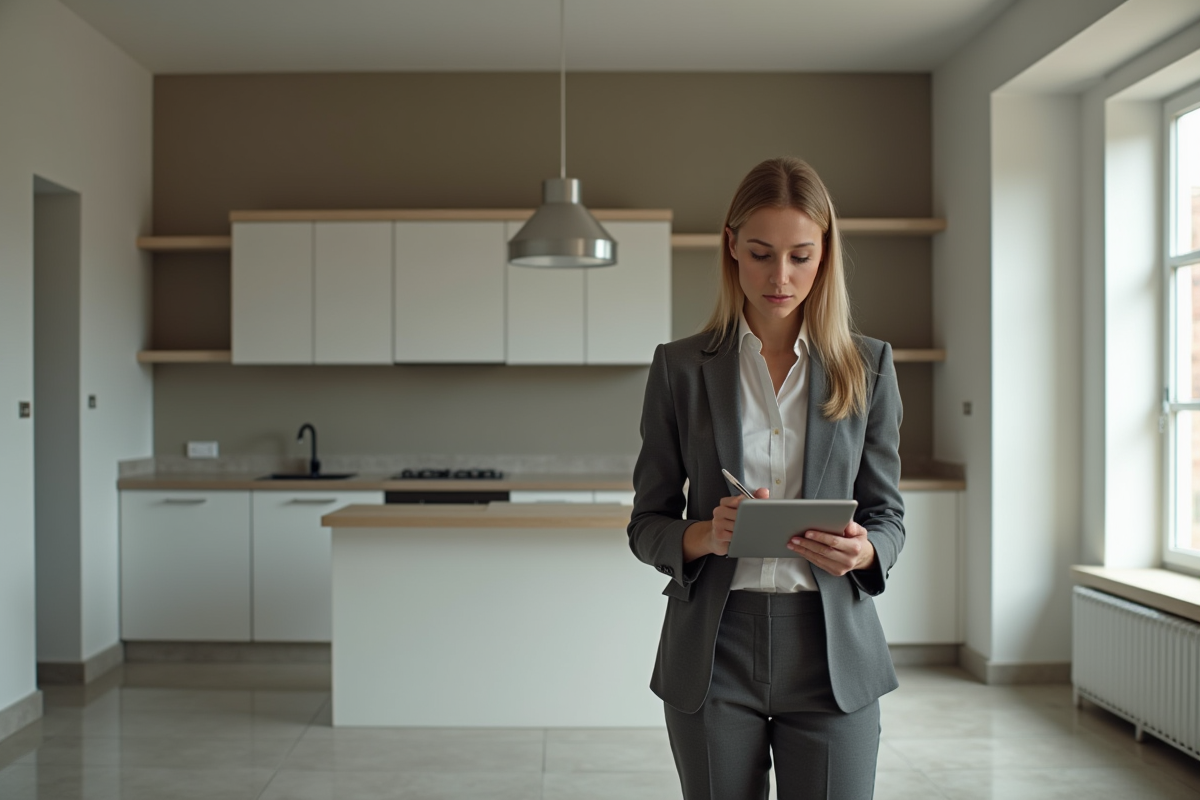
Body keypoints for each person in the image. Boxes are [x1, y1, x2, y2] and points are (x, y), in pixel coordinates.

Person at [628, 156, 904, 800]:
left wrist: (866, 551)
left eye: (800, 256)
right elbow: (646, 525)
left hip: (833, 652)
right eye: (760, 254)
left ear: (824, 253)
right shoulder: (679, 369)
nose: (780, 277)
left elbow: (888, 517)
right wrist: (705, 534)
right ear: (731, 245)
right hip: (713, 651)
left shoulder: (868, 366)